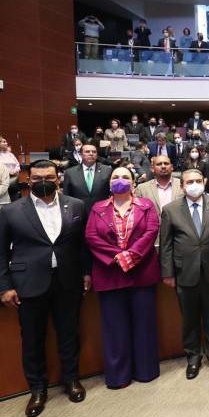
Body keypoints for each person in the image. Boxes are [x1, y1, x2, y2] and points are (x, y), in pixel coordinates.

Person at [0, 160, 89, 417]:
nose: (43, 181)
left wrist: (86, 273)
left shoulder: (76, 205)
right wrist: (5, 287)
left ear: (58, 179)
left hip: (68, 281)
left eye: (49, 177)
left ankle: (71, 379)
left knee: (69, 334)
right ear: (28, 180)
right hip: (28, 284)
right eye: (36, 178)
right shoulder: (11, 211)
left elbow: (82, 245)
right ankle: (37, 389)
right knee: (33, 340)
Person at [85, 166, 161, 389]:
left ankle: (146, 371)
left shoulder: (146, 205)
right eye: (116, 177)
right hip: (110, 274)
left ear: (133, 182)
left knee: (144, 327)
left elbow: (151, 231)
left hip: (142, 273)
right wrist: (118, 256)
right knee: (114, 329)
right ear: (109, 183)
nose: (120, 180)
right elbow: (91, 236)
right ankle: (118, 377)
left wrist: (132, 255)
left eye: (125, 177)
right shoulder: (97, 208)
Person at [160, 169, 209, 379]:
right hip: (184, 272)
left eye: (198, 181)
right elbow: (166, 245)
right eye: (189, 181)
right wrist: (168, 273)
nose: (194, 184)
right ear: (182, 186)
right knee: (189, 319)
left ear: (204, 182)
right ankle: (193, 358)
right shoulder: (170, 210)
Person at [134, 155, 183, 242]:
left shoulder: (183, 186)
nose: (163, 166)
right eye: (159, 164)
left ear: (172, 167)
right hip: (152, 239)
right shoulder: (142, 189)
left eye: (166, 163)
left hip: (179, 237)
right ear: (152, 169)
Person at [61, 144, 112, 213]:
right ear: (81, 154)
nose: (91, 154)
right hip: (79, 212)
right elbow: (66, 196)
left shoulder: (107, 170)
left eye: (94, 152)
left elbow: (112, 193)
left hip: (102, 212)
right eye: (87, 152)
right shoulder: (70, 173)